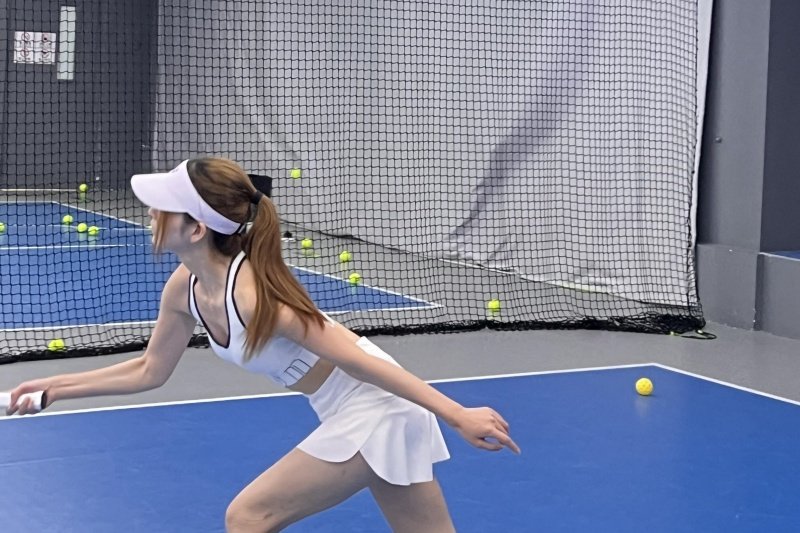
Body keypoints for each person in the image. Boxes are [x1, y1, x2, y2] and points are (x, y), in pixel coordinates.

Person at [7, 157, 520, 532]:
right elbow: (148, 370)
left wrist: (457, 414)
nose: (151, 215)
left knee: (248, 515)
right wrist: (53, 388)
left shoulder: (254, 297)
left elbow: (359, 360)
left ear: (195, 227)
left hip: (376, 408)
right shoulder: (184, 288)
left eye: (163, 207)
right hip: (344, 406)